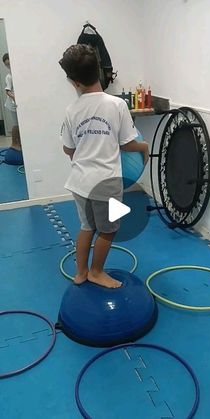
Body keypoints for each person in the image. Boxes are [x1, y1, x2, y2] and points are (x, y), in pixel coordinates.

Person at [59, 44, 149, 289]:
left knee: (87, 226)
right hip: (106, 182)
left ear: (74, 82)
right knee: (108, 230)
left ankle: (81, 272)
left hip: (79, 181)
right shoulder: (116, 105)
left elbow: (68, 149)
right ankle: (96, 272)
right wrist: (144, 148)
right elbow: (128, 144)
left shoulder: (71, 110)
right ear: (98, 71)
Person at [2, 53, 21, 152]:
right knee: (16, 124)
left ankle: (20, 142)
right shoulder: (9, 77)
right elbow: (7, 91)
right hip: (12, 104)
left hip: (18, 104)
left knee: (20, 123)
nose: (9, 66)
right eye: (7, 65)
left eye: (10, 63)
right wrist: (14, 97)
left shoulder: (17, 74)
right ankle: (14, 143)